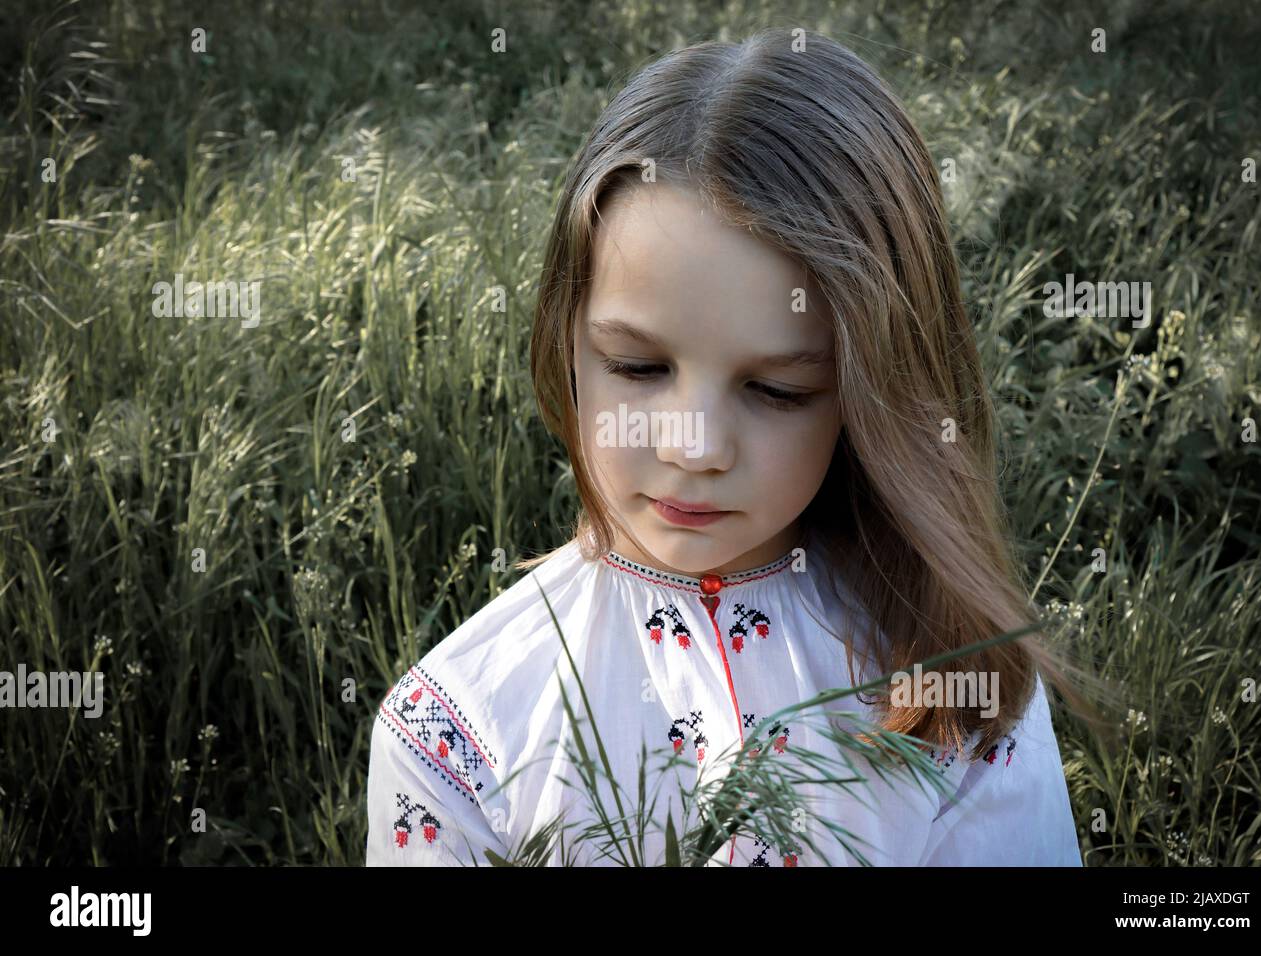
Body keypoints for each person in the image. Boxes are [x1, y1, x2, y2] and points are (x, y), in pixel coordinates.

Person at [367, 28, 1099, 866]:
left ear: (878, 391)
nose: (696, 448)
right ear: (565, 341)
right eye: (637, 367)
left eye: (777, 389)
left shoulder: (955, 678)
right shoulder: (459, 734)